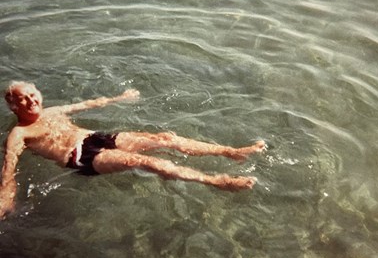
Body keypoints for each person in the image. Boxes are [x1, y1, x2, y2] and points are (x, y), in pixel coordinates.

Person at [0, 81, 265, 218]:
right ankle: (217, 181)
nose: (30, 100)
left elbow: (88, 104)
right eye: (22, 98)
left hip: (97, 137)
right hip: (81, 157)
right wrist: (7, 198)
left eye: (32, 94)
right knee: (140, 161)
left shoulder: (54, 111)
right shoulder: (19, 133)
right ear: (14, 107)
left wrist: (119, 98)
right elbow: (9, 167)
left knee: (163, 139)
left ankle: (231, 151)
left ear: (39, 93)